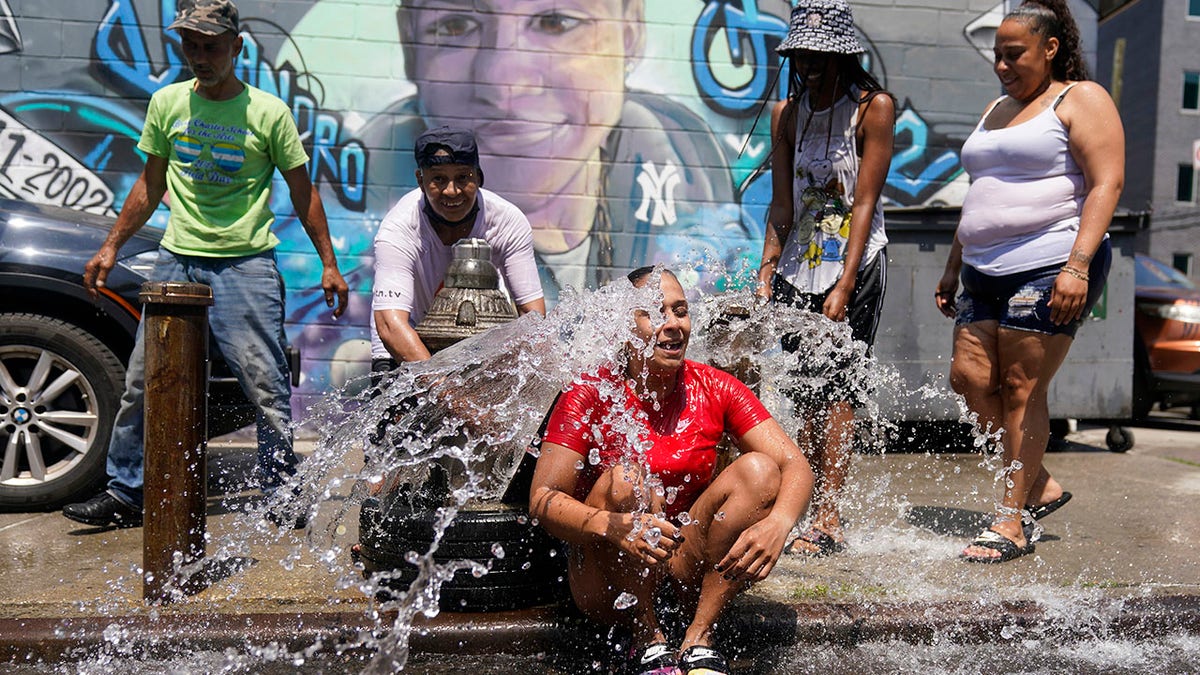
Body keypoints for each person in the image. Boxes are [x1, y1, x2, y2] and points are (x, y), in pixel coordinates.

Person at [62, 0, 349, 529]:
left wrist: (328, 264)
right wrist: (110, 246)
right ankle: (127, 493)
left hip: (246, 266)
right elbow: (150, 185)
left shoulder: (267, 113)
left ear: (236, 48)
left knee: (264, 385)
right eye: (190, 45)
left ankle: (282, 491)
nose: (200, 55)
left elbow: (304, 192)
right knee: (142, 383)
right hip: (177, 260)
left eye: (211, 45)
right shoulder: (168, 103)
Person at [529, 267, 814, 675]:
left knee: (761, 471)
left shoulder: (716, 387)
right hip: (605, 576)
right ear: (624, 326)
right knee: (628, 478)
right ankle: (647, 639)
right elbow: (542, 499)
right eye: (655, 313)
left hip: (684, 565)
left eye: (680, 311)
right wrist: (613, 525)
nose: (672, 324)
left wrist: (781, 523)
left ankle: (700, 635)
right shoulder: (589, 391)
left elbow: (795, 465)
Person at [357, 0, 743, 301]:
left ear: (630, 29)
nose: (503, 83)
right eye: (456, 26)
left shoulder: (691, 175)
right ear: (410, 43)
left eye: (556, 22)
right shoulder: (369, 218)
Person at [935, 0, 1123, 563]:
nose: (1001, 65)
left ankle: (1012, 521)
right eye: (996, 55)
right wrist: (952, 263)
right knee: (968, 380)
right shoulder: (996, 109)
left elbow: (1106, 183)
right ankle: (1037, 482)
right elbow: (982, 192)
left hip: (1049, 261)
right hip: (981, 268)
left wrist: (1077, 266)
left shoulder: (1081, 98)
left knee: (1021, 388)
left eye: (1013, 53)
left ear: (1050, 48)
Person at [754, 0, 895, 556]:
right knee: (804, 389)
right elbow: (783, 204)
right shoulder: (787, 114)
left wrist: (844, 281)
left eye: (818, 56)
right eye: (800, 56)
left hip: (854, 264)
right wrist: (766, 270)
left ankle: (829, 515)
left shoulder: (871, 109)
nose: (807, 66)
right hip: (798, 264)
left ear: (840, 56)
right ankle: (803, 500)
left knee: (838, 391)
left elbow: (865, 203)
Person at [369, 125, 545, 371]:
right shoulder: (398, 229)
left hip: (482, 343)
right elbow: (390, 325)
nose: (452, 191)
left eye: (463, 177)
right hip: (408, 339)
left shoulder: (507, 222)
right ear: (421, 180)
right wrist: (445, 391)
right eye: (438, 179)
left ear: (479, 177)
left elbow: (533, 316)